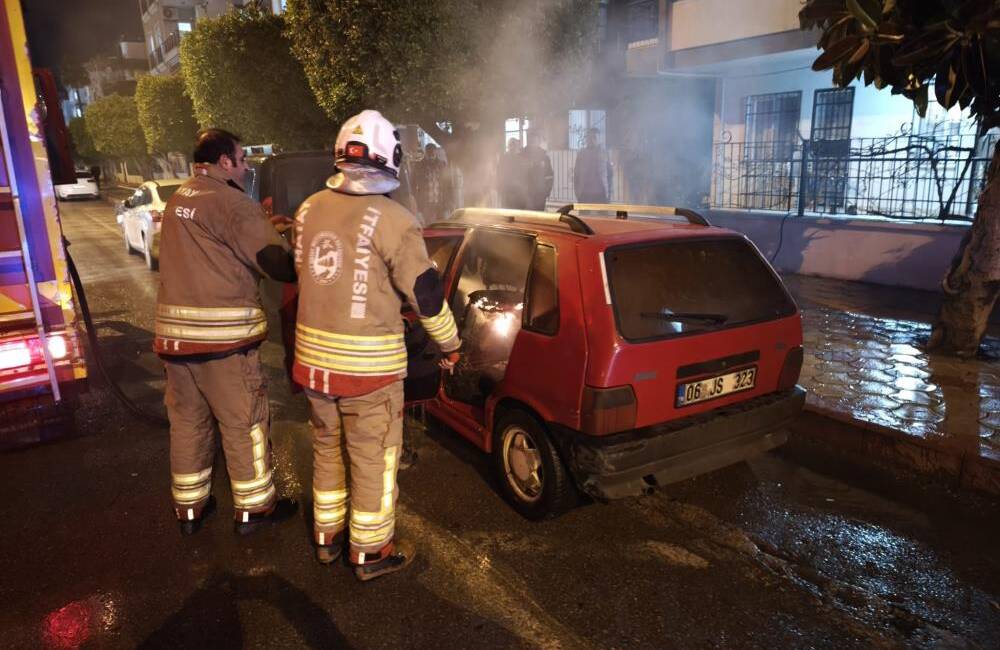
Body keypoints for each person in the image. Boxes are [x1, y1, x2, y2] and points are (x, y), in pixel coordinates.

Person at [292, 110, 461, 580]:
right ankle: (370, 551)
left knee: (328, 450)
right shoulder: (396, 220)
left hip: (314, 368)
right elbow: (426, 296)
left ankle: (327, 539)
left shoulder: (307, 210)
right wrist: (450, 345)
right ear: (392, 160)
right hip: (369, 373)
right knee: (373, 461)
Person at [155, 128, 299, 537]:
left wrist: (263, 225)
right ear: (223, 162)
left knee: (188, 425)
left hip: (177, 344)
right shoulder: (233, 203)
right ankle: (255, 510)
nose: (247, 165)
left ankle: (190, 509)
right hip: (223, 344)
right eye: (241, 158)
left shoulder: (181, 197)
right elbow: (277, 265)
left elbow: (214, 244)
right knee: (244, 424)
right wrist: (289, 245)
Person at [413, 143, 450, 224]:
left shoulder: (442, 165)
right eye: (429, 151)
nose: (431, 153)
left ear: (436, 152)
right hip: (426, 203)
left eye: (433, 151)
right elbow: (414, 185)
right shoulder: (419, 165)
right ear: (426, 152)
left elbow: (447, 185)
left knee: (442, 225)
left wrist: (448, 203)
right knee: (428, 226)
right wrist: (417, 206)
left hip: (440, 202)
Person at [573, 127, 612, 204]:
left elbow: (610, 174)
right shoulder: (581, 154)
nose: (591, 140)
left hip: (601, 194)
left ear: (598, 139)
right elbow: (576, 175)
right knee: (583, 216)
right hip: (584, 193)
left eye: (594, 137)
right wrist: (577, 192)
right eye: (589, 137)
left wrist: (609, 193)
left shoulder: (604, 153)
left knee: (602, 216)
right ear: (586, 139)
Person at [521, 131, 554, 211]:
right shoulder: (521, 156)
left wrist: (547, 191)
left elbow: (549, 176)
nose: (532, 143)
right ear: (528, 141)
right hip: (525, 194)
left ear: (538, 142)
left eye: (534, 141)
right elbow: (517, 175)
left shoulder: (544, 157)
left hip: (540, 194)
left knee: (540, 217)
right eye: (531, 141)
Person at [496, 137, 524, 209]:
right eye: (511, 145)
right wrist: (500, 187)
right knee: (506, 208)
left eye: (514, 145)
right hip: (506, 189)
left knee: (516, 209)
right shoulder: (503, 158)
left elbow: (522, 174)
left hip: (517, 190)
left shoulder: (520, 158)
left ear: (517, 147)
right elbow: (499, 173)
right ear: (508, 146)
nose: (512, 147)